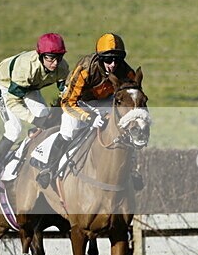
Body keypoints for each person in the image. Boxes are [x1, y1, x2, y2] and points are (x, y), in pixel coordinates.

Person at [36, 33, 139, 189]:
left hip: (106, 102)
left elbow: (133, 98)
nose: (112, 65)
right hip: (78, 102)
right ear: (99, 57)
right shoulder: (85, 68)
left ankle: (132, 171)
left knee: (125, 129)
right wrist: (88, 117)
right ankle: (48, 169)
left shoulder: (126, 72)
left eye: (117, 60)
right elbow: (68, 102)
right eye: (108, 60)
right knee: (68, 131)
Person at [0, 33, 69, 191]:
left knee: (45, 117)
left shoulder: (62, 67)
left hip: (29, 87)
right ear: (40, 56)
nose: (54, 63)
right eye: (50, 58)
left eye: (58, 58)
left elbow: (66, 93)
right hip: (6, 87)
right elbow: (13, 102)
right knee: (14, 129)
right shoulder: (26, 69)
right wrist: (33, 120)